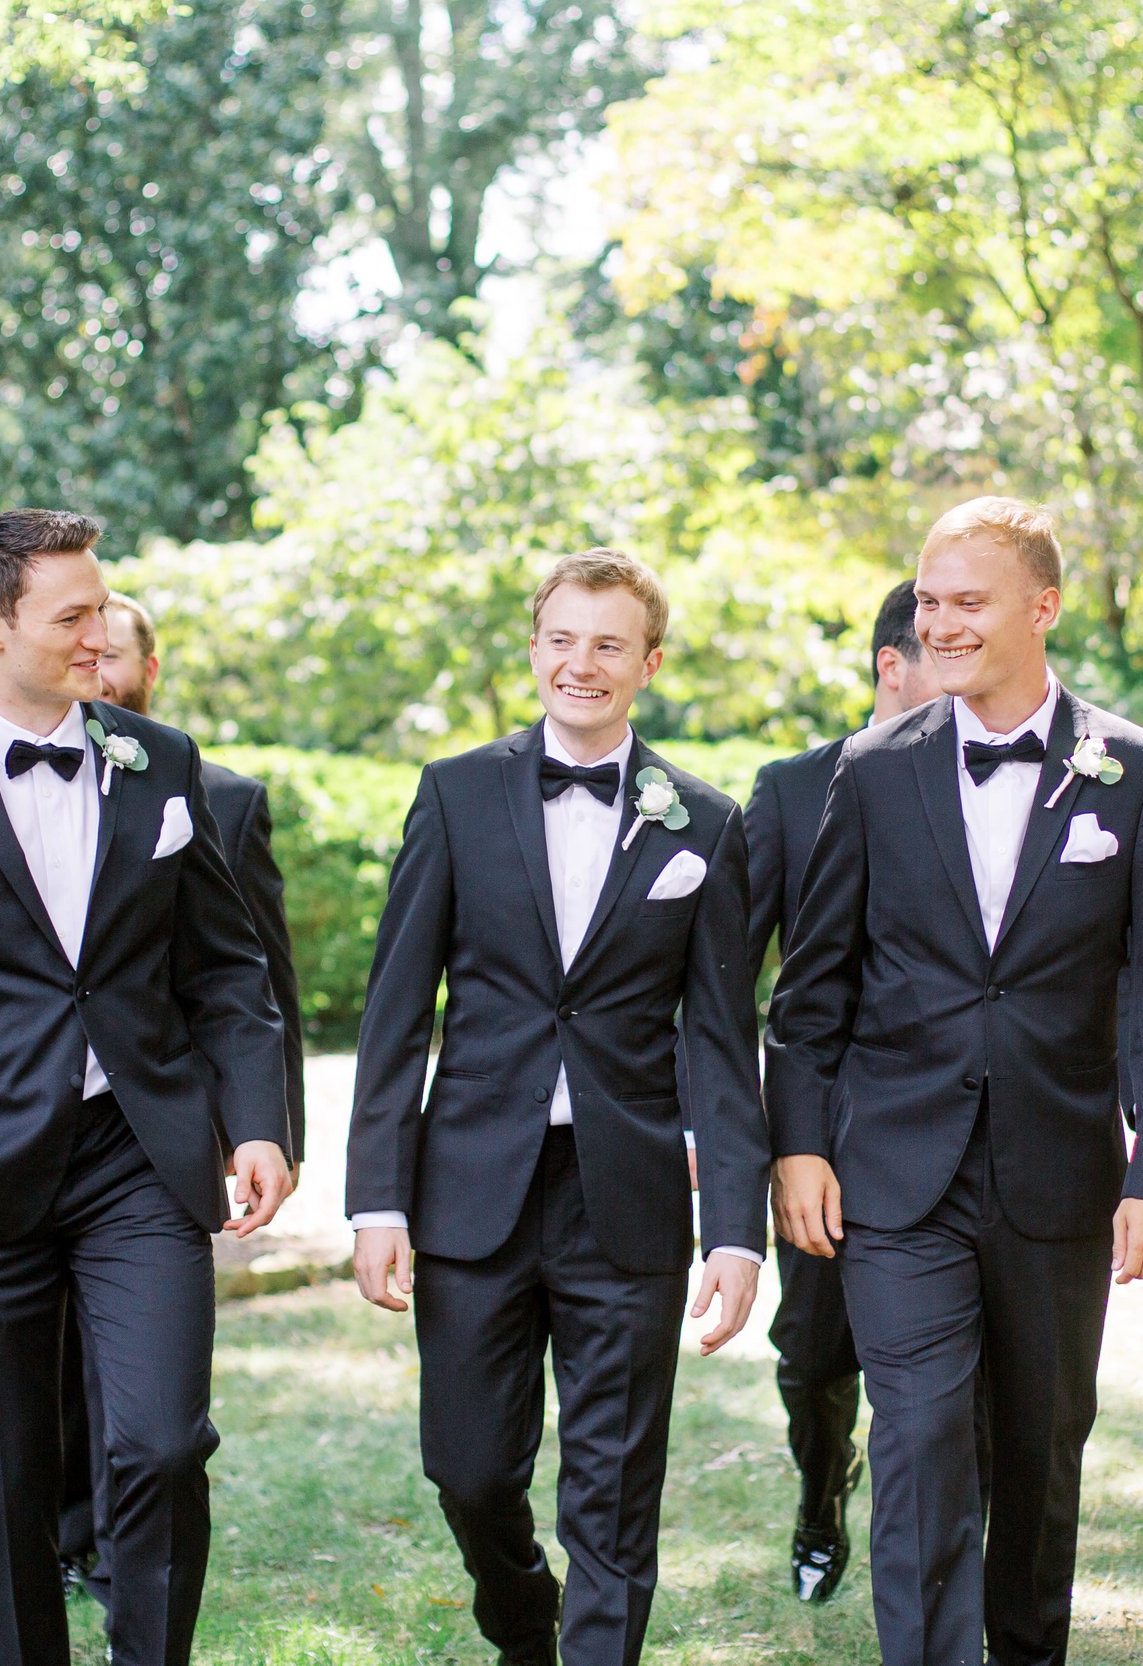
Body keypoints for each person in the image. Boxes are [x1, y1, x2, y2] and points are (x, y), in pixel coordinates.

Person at [0, 508, 293, 1666]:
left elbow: (228, 963)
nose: (95, 635)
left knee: (165, 1444)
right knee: (10, 1470)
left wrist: (258, 1122)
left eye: (97, 608)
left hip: (141, 1156)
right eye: (68, 616)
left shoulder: (158, 762)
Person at [766, 496, 1143, 1666]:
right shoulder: (868, 772)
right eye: (929, 601)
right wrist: (799, 1146)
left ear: (1041, 607)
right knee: (916, 1442)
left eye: (969, 601)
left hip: (1057, 1178)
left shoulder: (1137, 772)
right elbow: (812, 992)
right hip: (894, 1182)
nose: (942, 623)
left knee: (1039, 1449)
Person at [347, 548, 768, 1666]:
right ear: (534, 648)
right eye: (562, 639)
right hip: (471, 1187)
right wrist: (375, 1203)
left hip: (624, 1195)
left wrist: (735, 1228)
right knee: (469, 1469)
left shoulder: (705, 823)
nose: (580, 663)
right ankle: (524, 1618)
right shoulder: (455, 792)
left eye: (608, 644)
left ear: (649, 664)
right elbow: (396, 1017)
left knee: (616, 1482)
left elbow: (723, 1043)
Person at [52, 590, 307, 1601]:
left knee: (144, 1378)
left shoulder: (216, 791)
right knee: (59, 1354)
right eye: (84, 647)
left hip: (161, 1126)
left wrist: (265, 1128)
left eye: (114, 654)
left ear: (146, 671)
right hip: (26, 1122)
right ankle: (72, 1526)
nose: (98, 668)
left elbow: (255, 975)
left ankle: (121, 1548)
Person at [742, 577, 941, 1603]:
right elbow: (731, 973)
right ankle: (822, 1493)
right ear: (889, 665)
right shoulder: (788, 789)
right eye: (938, 658)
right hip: (824, 1123)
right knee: (814, 1351)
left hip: (957, 1121)